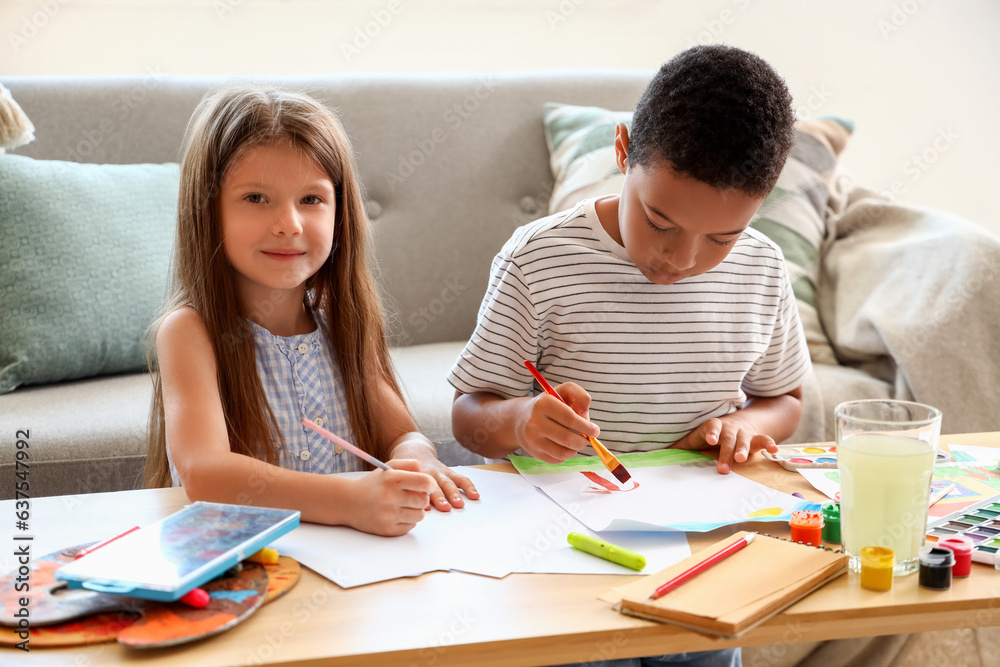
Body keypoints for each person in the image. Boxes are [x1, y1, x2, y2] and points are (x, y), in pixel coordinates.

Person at [450, 41, 805, 667]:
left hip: (702, 551)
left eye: (722, 236)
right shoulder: (539, 259)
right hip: (566, 547)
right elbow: (468, 412)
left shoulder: (763, 269)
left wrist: (746, 426)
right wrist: (518, 422)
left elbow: (785, 399)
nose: (683, 259)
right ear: (622, 152)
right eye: (661, 222)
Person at [144, 83, 477, 537]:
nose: (289, 224)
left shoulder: (341, 325)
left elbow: (402, 434)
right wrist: (352, 502)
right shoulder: (188, 330)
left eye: (311, 199)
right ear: (207, 210)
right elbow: (206, 473)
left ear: (340, 214)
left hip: (353, 563)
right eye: (256, 198)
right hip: (246, 560)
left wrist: (416, 456)